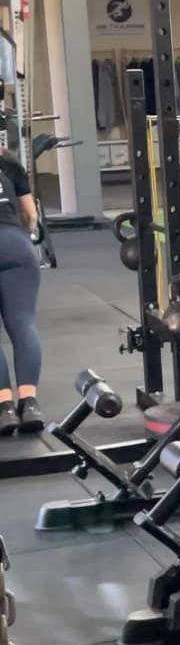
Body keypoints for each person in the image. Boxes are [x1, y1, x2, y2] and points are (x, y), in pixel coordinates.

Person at [0, 150, 44, 435]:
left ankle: (4, 408)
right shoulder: (8, 160)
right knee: (23, 324)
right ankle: (29, 403)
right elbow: (30, 213)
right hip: (17, 245)